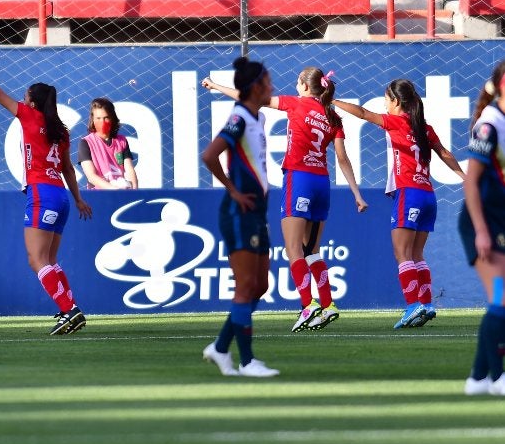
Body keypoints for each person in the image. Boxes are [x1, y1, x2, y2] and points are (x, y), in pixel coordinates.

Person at [203, 67, 368, 333]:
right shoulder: (332, 116)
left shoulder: (296, 103)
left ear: (304, 85)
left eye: (297, 81)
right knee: (311, 250)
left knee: (293, 249)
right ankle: (327, 304)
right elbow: (342, 158)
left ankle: (307, 305)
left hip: (299, 178)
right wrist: (356, 194)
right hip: (322, 184)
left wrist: (216, 86)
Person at [0, 49, 93, 335]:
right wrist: (78, 198)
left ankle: (70, 310)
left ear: (32, 100)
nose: (22, 98)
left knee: (36, 259)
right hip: (61, 196)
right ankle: (68, 310)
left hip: (41, 193)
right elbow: (68, 168)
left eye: (26, 95)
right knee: (50, 260)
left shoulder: (30, 117)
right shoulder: (61, 130)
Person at [333, 80, 465, 329]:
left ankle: (413, 305)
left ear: (395, 102)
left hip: (409, 193)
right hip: (428, 195)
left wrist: (332, 101)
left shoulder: (396, 122)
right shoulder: (425, 128)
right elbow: (445, 152)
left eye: (385, 99)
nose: (384, 103)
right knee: (417, 254)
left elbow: (362, 113)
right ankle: (426, 304)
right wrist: (464, 177)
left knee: (402, 254)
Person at [200, 56, 279, 377]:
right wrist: (232, 189)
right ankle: (247, 362)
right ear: (256, 86)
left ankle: (220, 348)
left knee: (259, 285)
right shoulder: (240, 118)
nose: (272, 86)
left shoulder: (255, 118)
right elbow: (209, 154)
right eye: (268, 81)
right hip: (239, 213)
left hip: (257, 213)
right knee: (246, 286)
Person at [460, 61, 505, 396]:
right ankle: (499, 377)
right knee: (502, 299)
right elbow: (471, 183)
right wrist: (481, 231)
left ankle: (478, 378)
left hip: (499, 220)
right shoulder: (489, 125)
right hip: (481, 221)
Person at [78, 98, 138, 189]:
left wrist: (135, 192)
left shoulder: (122, 141)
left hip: (121, 193)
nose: (102, 122)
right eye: (98, 118)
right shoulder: (85, 142)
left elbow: (130, 170)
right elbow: (91, 177)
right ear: (92, 119)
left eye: (106, 118)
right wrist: (113, 190)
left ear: (112, 118)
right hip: (99, 195)